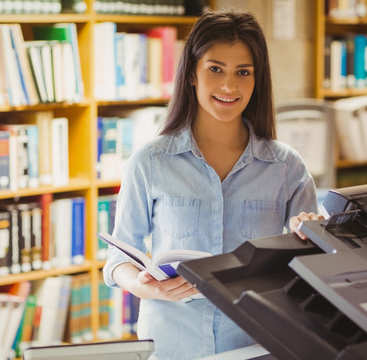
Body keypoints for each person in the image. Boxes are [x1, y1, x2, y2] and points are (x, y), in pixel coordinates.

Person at [103, 9, 323, 360]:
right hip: (173, 343)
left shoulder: (285, 167)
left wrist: (314, 232)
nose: (229, 87)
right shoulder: (150, 161)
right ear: (192, 73)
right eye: (215, 69)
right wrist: (144, 288)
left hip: (257, 343)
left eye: (243, 73)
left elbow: (316, 261)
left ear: (257, 78)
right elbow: (118, 256)